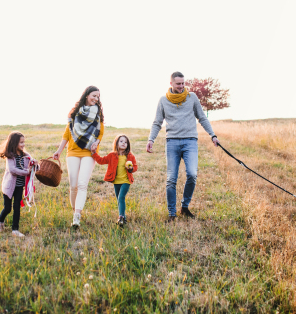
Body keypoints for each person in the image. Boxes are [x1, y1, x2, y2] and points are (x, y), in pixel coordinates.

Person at [146, 72, 220, 222]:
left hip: (190, 141)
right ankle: (172, 213)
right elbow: (157, 122)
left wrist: (212, 135)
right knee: (171, 179)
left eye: (183, 83)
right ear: (171, 84)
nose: (181, 86)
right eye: (178, 84)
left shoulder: (192, 97)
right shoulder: (163, 100)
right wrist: (151, 139)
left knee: (192, 174)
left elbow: (202, 117)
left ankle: (184, 207)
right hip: (172, 142)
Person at [53, 85, 105, 228]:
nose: (96, 98)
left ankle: (77, 216)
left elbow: (100, 132)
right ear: (87, 95)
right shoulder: (74, 112)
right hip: (73, 152)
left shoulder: (97, 113)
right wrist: (59, 151)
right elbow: (67, 133)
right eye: (94, 95)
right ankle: (74, 210)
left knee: (82, 184)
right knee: (73, 186)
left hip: (89, 152)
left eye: (98, 96)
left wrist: (97, 142)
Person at [92, 135, 138, 227]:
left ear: (128, 145)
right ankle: (123, 218)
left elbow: (135, 167)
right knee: (119, 199)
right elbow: (101, 161)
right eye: (121, 141)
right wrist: (94, 153)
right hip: (116, 181)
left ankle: (121, 217)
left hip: (126, 181)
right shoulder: (112, 155)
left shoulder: (130, 156)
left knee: (121, 197)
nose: (123, 143)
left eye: (125, 142)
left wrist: (131, 169)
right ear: (116, 143)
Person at [0, 131, 35, 237]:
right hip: (9, 187)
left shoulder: (26, 156)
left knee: (17, 207)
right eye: (21, 142)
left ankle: (15, 230)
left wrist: (35, 165)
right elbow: (12, 169)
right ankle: (0, 220)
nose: (23, 145)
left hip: (19, 186)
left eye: (24, 142)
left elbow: (31, 164)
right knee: (8, 208)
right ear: (14, 143)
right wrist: (26, 172)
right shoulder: (10, 156)